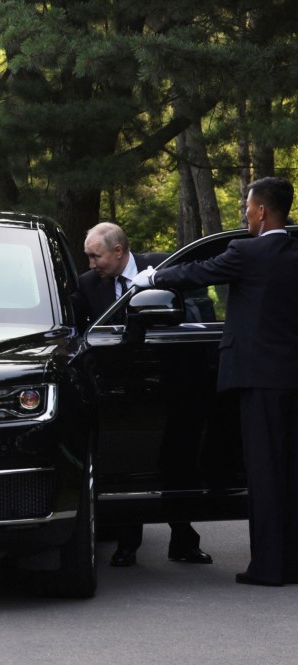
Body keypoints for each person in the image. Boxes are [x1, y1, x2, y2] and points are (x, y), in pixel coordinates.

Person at [133, 176, 298, 586]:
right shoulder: (293, 252)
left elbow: (198, 272)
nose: (245, 214)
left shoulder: (248, 251)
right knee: (290, 473)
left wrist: (152, 279)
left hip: (258, 377)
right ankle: (292, 563)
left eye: (247, 207)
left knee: (264, 474)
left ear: (261, 211)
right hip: (290, 377)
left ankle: (269, 568)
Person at [72, 222, 212, 567]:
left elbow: (200, 308)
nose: (91, 263)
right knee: (126, 458)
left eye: (96, 255)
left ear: (118, 251)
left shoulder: (163, 266)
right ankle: (127, 543)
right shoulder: (87, 285)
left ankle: (183, 539)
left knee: (180, 456)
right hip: (121, 387)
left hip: (177, 380)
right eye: (89, 256)